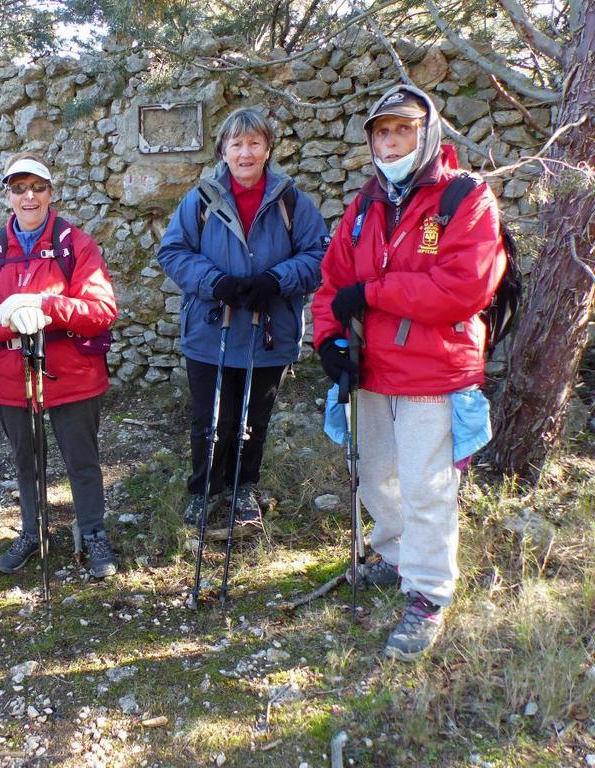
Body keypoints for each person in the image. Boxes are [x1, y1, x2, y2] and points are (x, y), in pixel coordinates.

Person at [311, 85, 507, 660]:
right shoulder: (365, 205)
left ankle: (428, 593)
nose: (391, 141)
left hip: (434, 372)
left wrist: (369, 293)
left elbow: (461, 287)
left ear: (428, 134)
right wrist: (328, 341)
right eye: (381, 132)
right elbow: (331, 284)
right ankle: (396, 556)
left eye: (403, 130)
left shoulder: (466, 199)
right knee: (375, 477)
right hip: (373, 370)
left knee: (427, 489)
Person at [157, 107, 327, 528]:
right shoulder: (200, 199)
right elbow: (173, 252)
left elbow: (321, 255)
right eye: (237, 144)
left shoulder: (291, 201)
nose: (245, 152)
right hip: (211, 327)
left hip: (267, 330)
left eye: (254, 143)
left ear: (268, 149)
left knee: (254, 418)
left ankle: (242, 487)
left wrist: (275, 280)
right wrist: (216, 283)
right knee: (209, 419)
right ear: (224, 150)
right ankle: (205, 490)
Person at [0, 152, 119, 578]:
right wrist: (5, 317)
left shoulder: (75, 244)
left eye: (38, 187)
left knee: (81, 459)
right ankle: (33, 530)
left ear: (50, 192)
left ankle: (93, 532)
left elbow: (101, 309)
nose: (29, 196)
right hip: (11, 376)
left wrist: (48, 306)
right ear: (7, 195)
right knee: (26, 461)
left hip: (72, 373)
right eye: (19, 188)